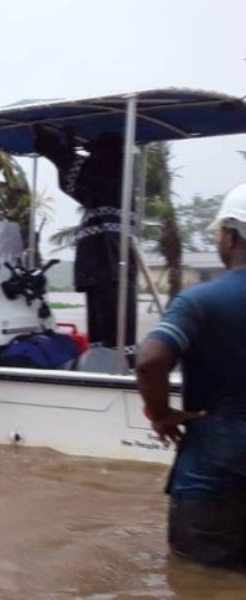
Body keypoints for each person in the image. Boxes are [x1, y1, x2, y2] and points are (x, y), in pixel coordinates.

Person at [136, 182, 246, 570]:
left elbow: (150, 360)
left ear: (230, 236)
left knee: (200, 583)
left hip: (211, 476)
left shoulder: (200, 301)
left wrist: (160, 414)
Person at [34, 127, 138, 356]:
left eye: (94, 154)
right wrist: (62, 150)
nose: (90, 158)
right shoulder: (107, 174)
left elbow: (79, 176)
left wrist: (57, 149)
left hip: (109, 257)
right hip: (99, 260)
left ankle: (117, 364)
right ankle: (103, 361)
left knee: (113, 321)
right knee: (101, 320)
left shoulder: (114, 170)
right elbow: (72, 184)